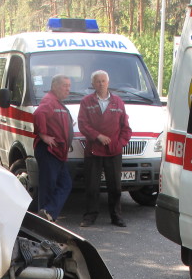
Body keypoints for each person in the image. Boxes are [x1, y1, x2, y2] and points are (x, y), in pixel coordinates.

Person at [77, 70, 131, 228]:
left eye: (103, 81)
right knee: (92, 186)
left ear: (108, 82)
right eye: (97, 81)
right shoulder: (86, 101)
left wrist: (119, 143)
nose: (101, 84)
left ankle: (116, 216)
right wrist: (98, 136)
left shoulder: (118, 102)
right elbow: (82, 124)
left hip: (113, 151)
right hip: (93, 150)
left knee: (115, 187)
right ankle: (90, 216)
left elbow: (126, 128)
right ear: (93, 84)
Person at [33, 74, 73, 222]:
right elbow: (38, 114)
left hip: (58, 153)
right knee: (48, 187)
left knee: (65, 184)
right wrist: (43, 135)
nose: (68, 89)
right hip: (49, 151)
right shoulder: (49, 101)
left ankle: (47, 214)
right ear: (54, 86)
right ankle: (45, 219)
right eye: (64, 86)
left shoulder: (57, 103)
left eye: (69, 86)